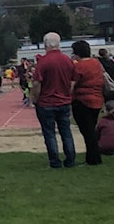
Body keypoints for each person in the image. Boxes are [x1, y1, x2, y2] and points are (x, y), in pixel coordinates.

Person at [31, 32, 76, 169]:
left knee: (49, 133)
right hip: (64, 101)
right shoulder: (67, 60)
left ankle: (55, 161)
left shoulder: (43, 62)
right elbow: (73, 80)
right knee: (66, 132)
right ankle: (70, 160)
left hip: (46, 102)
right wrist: (68, 93)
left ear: (45, 45)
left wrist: (35, 99)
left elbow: (37, 83)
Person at [70, 40, 104, 166]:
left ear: (76, 53)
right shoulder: (96, 63)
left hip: (82, 100)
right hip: (97, 99)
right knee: (91, 129)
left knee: (87, 131)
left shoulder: (79, 67)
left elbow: (72, 85)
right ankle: (93, 156)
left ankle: (93, 158)